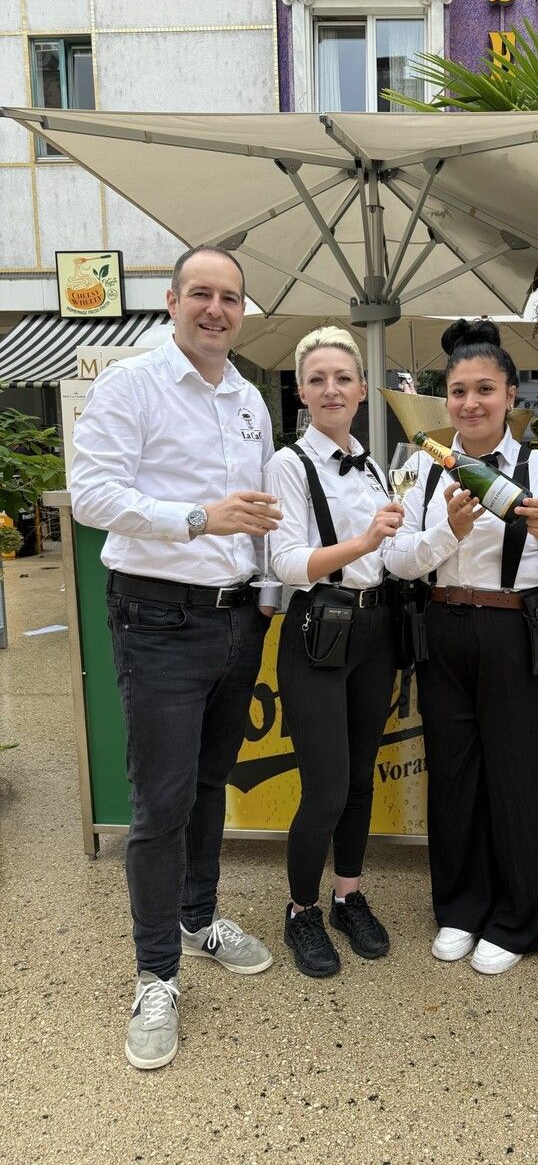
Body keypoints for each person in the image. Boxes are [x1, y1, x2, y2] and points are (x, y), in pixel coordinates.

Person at [70, 246, 282, 1071]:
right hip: (156, 618)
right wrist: (199, 518)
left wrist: (264, 589)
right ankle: (155, 973)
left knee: (205, 783)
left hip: (235, 623)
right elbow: (91, 497)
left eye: (230, 297)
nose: (217, 310)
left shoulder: (250, 400)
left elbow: (258, 512)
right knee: (159, 803)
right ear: (172, 300)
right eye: (202, 294)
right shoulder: (132, 384)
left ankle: (199, 921)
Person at [383, 320, 538, 976]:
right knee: (455, 776)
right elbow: (396, 559)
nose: (470, 403)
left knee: (523, 776)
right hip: (445, 629)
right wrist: (444, 535)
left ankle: (523, 918)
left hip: (521, 631)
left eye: (485, 390)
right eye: (458, 391)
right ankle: (461, 908)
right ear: (444, 399)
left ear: (511, 397)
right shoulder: (419, 468)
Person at [269, 327, 404, 979]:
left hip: (374, 634)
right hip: (317, 633)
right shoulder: (288, 464)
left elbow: (393, 555)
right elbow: (289, 562)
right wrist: (364, 539)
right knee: (323, 789)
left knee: (357, 781)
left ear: (359, 390)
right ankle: (301, 911)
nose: (331, 389)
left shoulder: (375, 465)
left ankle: (348, 894)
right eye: (318, 378)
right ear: (302, 390)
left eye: (342, 379)